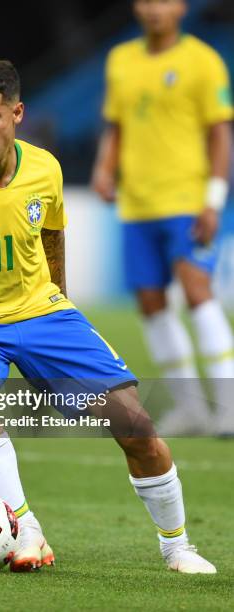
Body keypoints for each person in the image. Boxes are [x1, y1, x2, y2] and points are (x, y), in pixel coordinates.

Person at [0, 57, 215, 573]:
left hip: (43, 316)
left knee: (136, 426)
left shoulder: (44, 169)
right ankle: (26, 528)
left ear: (17, 113)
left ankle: (176, 544)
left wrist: (61, 310)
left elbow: (52, 234)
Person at [92, 0, 234, 436]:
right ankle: (191, 409)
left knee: (197, 291)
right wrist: (103, 166)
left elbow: (220, 134)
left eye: (164, 1)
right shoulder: (121, 60)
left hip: (188, 202)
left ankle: (228, 408)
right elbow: (116, 126)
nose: (155, 9)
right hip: (137, 205)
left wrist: (213, 199)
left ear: (182, 7)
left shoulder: (203, 61)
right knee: (151, 305)